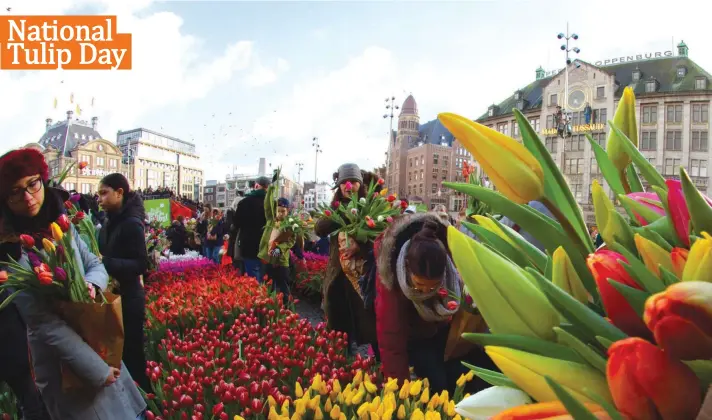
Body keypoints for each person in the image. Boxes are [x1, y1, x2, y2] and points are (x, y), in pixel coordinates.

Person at [0, 149, 145, 419]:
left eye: (33, 184)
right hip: (66, 364)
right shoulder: (11, 252)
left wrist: (90, 286)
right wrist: (97, 370)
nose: (28, 197)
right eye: (15, 192)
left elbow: (95, 264)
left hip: (97, 339)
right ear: (5, 200)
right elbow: (43, 324)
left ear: (42, 180)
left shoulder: (61, 225)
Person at [374, 213, 495, 394]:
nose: (426, 292)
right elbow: (391, 337)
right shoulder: (391, 279)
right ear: (407, 267)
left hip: (445, 330)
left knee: (456, 377)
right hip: (414, 335)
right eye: (420, 285)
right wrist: (399, 392)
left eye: (434, 286)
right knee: (436, 383)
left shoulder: (452, 260)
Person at [315, 163, 381, 356]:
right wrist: (342, 211)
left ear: (360, 184)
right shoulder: (336, 206)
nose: (348, 186)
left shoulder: (371, 205)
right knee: (339, 328)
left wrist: (360, 246)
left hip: (363, 277)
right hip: (338, 277)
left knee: (371, 325)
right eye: (344, 183)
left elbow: (381, 238)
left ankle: (381, 368)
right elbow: (319, 228)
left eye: (353, 182)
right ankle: (343, 366)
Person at [97, 173, 153, 396]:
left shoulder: (131, 223)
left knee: (132, 353)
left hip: (129, 299)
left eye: (104, 193)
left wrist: (106, 263)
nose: (99, 199)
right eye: (98, 194)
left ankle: (145, 400)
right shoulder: (109, 221)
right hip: (113, 297)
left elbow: (141, 264)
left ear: (119, 193)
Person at [258, 193, 296, 306]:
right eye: (278, 211)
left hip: (282, 260)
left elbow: (291, 241)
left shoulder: (291, 225)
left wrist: (279, 248)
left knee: (284, 286)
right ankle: (271, 308)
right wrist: (271, 189)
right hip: (268, 258)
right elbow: (267, 206)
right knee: (268, 285)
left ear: (287, 211)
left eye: (283, 211)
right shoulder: (271, 221)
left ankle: (287, 309)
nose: (280, 213)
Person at [234, 177, 271, 281]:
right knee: (267, 278)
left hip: (249, 245)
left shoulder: (244, 202)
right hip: (268, 246)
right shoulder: (272, 203)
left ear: (256, 186)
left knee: (253, 278)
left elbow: (237, 223)